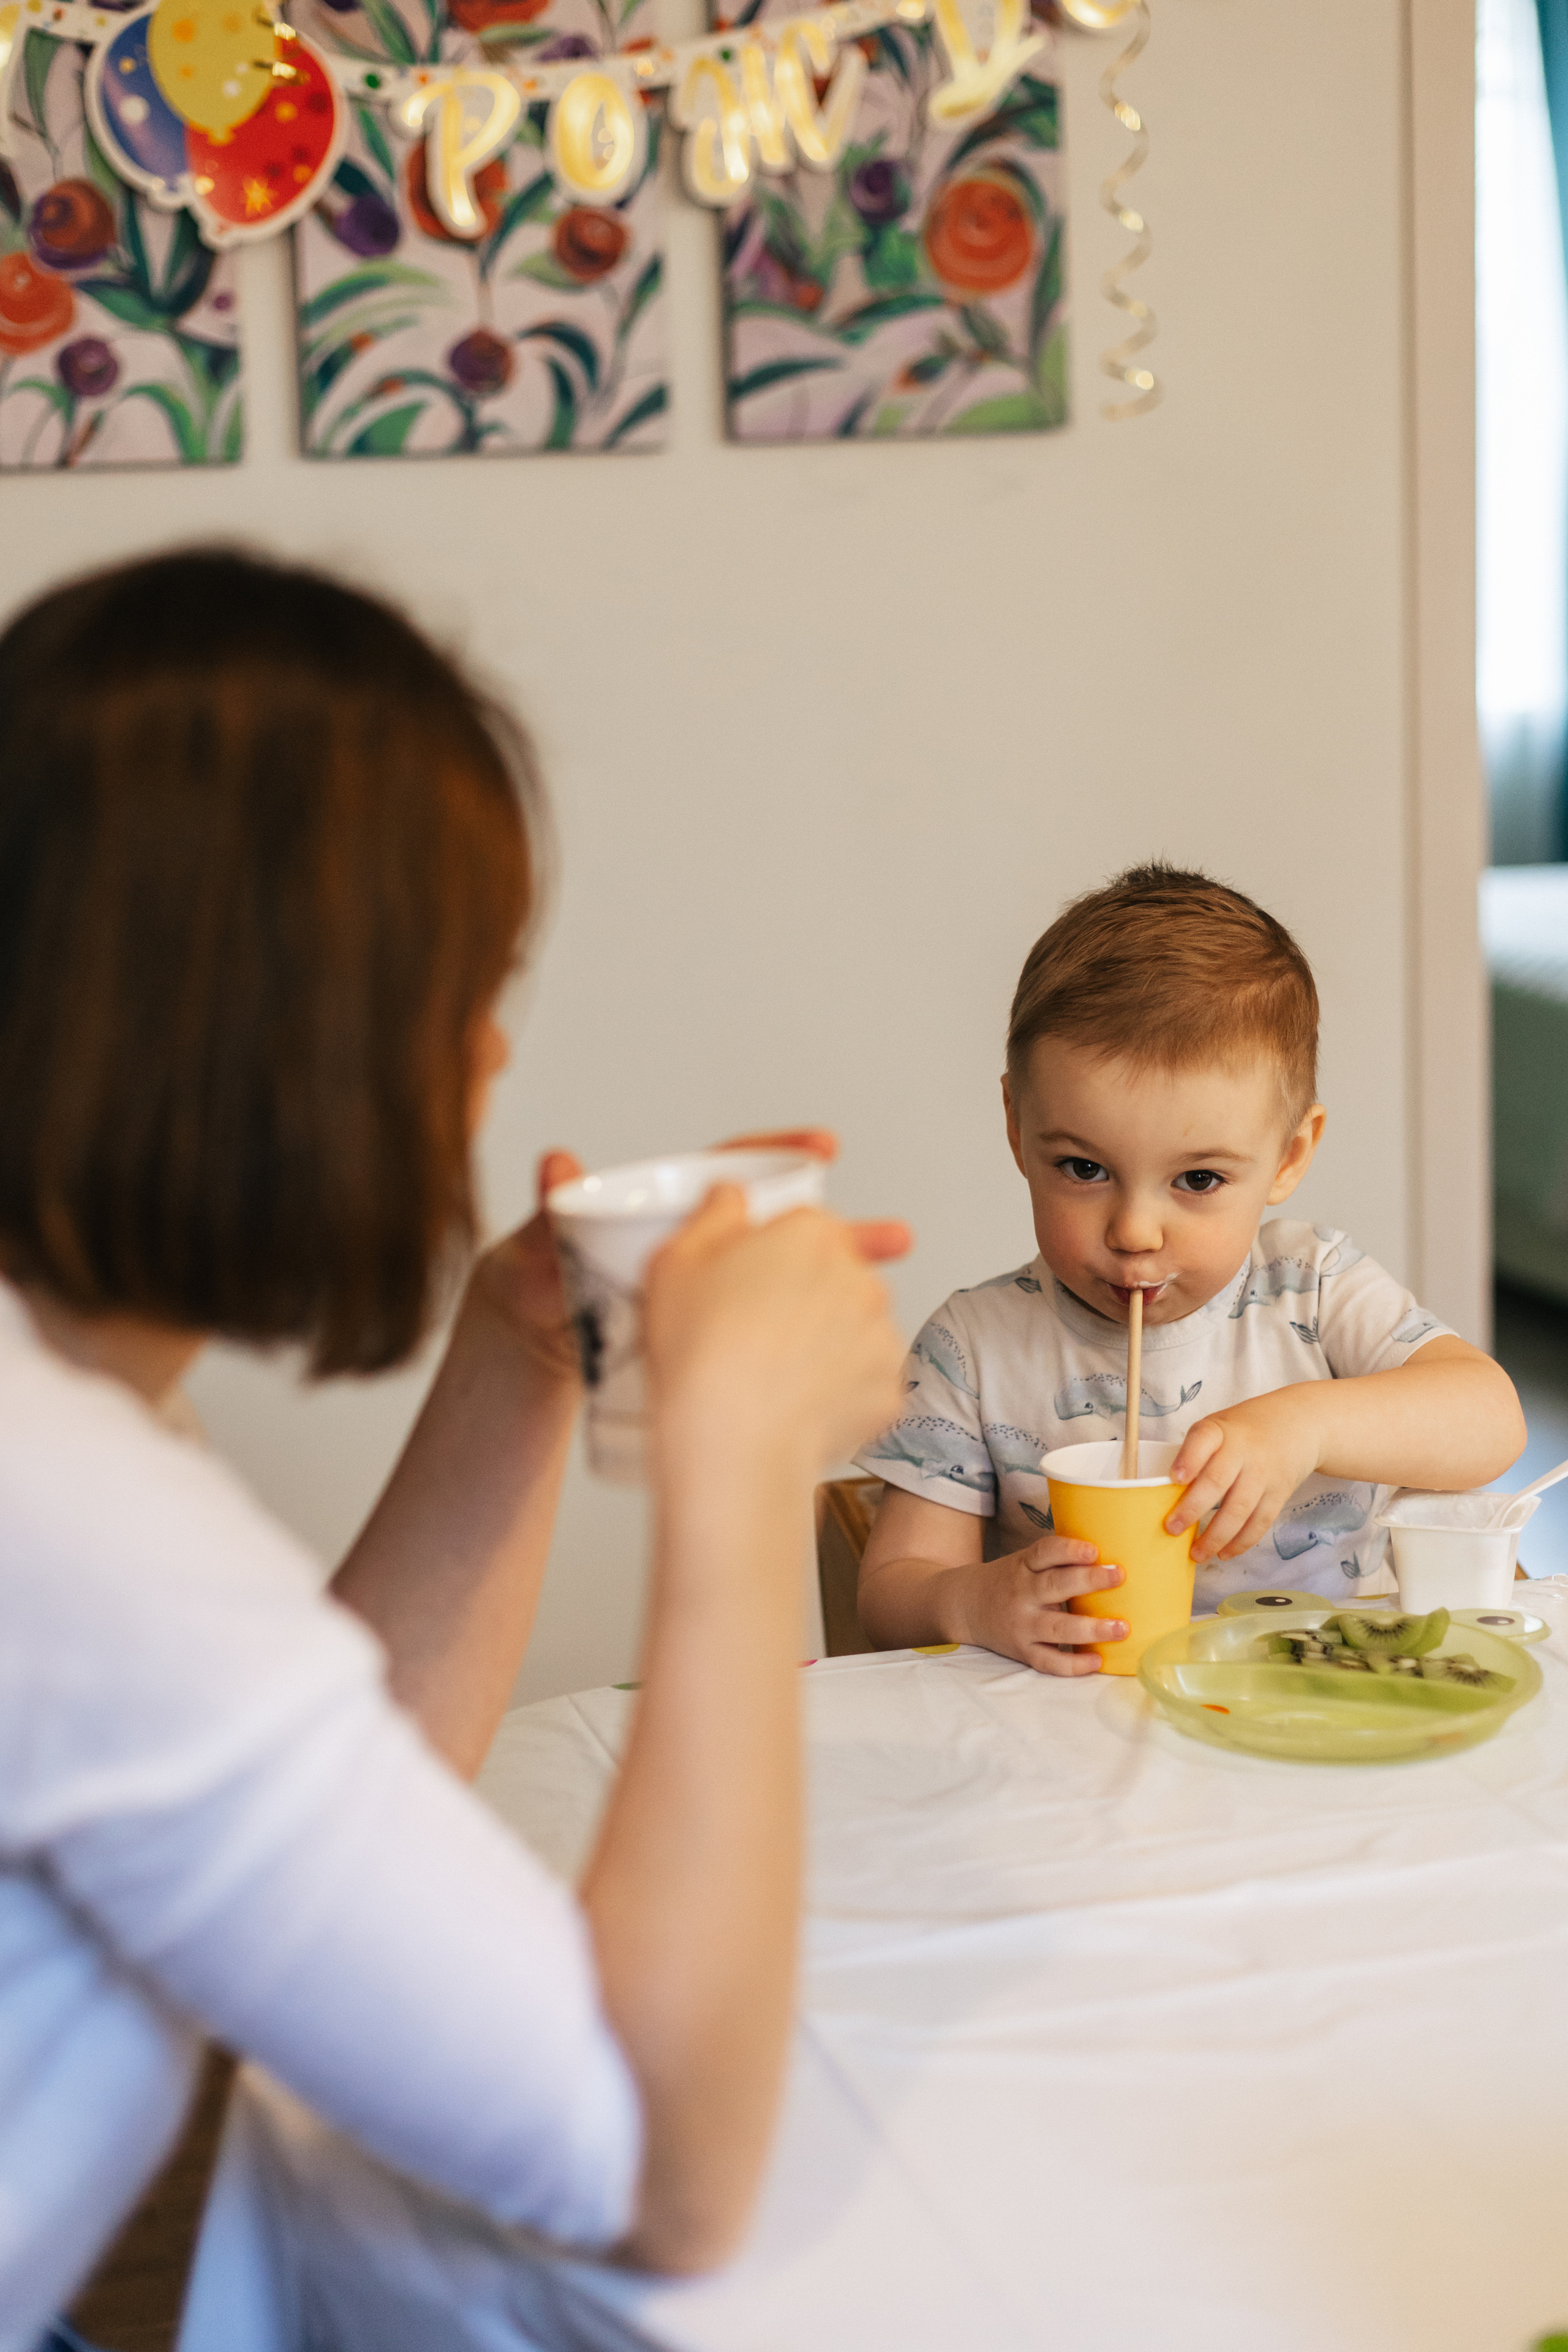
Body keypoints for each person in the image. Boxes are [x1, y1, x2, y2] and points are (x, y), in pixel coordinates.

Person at [0, 548, 910, 2352]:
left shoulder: (60, 1417)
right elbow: (659, 2163)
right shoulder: (68, 1520)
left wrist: (526, 1360)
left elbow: (320, 1819)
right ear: (290, 1038)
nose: (491, 1052)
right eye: (466, 989)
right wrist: (736, 1469)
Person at [855, 865, 1525, 1674]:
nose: (1135, 1231)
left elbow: (1492, 1421)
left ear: (1290, 1155)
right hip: (1083, 1746)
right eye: (1082, 1168)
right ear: (1015, 1124)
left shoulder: (1313, 1288)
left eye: (1198, 1180)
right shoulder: (971, 1348)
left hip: (1319, 1716)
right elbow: (891, 1592)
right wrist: (977, 1601)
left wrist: (1305, 1426)